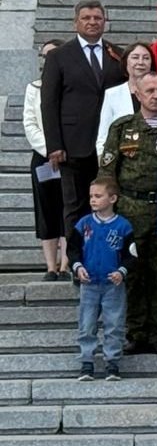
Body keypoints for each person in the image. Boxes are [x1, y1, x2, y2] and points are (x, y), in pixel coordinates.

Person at [97, 72, 157, 355]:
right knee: (131, 274)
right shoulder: (122, 127)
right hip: (129, 210)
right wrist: (108, 208)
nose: (156, 96)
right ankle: (135, 332)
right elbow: (108, 170)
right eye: (150, 91)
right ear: (138, 93)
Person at [42, 0, 127, 231]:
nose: (92, 22)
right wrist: (54, 145)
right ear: (75, 23)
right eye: (86, 18)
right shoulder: (58, 56)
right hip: (73, 145)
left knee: (109, 204)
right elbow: (49, 102)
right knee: (75, 205)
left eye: (97, 18)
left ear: (105, 22)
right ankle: (75, 261)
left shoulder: (118, 54)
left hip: (109, 143)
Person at [70, 178, 132, 383]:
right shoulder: (84, 224)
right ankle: (86, 361)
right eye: (91, 196)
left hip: (112, 284)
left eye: (98, 196)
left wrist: (122, 271)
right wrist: (77, 267)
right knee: (87, 323)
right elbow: (73, 249)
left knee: (114, 324)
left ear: (113, 198)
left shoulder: (123, 226)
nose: (93, 200)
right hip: (89, 284)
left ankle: (112, 362)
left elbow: (131, 255)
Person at [24, 40, 67, 281]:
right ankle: (51, 266)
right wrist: (50, 149)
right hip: (43, 157)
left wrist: (64, 150)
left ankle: (66, 264)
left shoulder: (70, 86)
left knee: (69, 208)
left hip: (71, 157)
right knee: (46, 209)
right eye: (44, 56)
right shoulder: (34, 88)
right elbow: (30, 122)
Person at [95, 42, 157, 159]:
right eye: (135, 57)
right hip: (123, 162)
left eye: (146, 58)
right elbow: (103, 136)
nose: (140, 62)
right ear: (125, 62)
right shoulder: (112, 94)